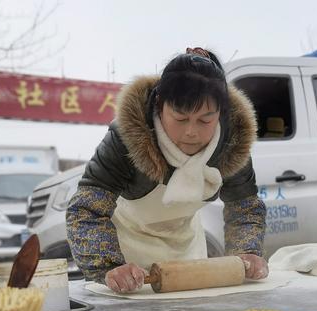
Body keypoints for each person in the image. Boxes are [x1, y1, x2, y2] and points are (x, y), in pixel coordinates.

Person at [66, 47, 267, 293]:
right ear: (160, 106)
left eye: (205, 120)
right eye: (180, 118)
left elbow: (244, 206)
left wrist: (247, 252)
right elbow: (86, 208)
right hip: (127, 249)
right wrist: (108, 265)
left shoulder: (232, 142)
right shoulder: (127, 137)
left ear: (221, 114)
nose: (191, 132)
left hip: (187, 248)